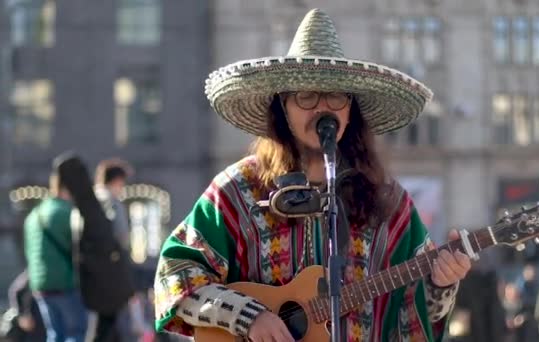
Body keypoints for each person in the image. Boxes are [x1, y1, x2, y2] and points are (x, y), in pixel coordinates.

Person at [153, 8, 471, 342]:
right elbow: (174, 279)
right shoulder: (236, 190)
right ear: (283, 107)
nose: (323, 108)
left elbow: (416, 316)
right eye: (306, 95)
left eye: (336, 96)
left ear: (351, 110)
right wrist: (249, 317)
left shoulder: (389, 202)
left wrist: (441, 285)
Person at [23, 162, 88, 342]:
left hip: (40, 284)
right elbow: (79, 247)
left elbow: (29, 251)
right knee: (75, 332)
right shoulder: (67, 212)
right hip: (65, 282)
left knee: (54, 333)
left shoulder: (34, 214)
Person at [92, 158, 134, 341]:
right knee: (111, 322)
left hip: (90, 271)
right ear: (116, 180)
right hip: (112, 270)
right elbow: (122, 236)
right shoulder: (112, 202)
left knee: (101, 324)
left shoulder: (89, 200)